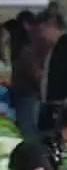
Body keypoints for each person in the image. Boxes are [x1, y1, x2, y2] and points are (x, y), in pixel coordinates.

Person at [38, 7, 67, 129]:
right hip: (54, 101)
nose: (43, 35)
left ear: (52, 27)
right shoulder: (57, 46)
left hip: (60, 102)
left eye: (44, 30)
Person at [8, 9, 40, 137]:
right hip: (29, 93)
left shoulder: (16, 46)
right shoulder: (28, 49)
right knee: (29, 129)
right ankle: (33, 155)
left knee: (24, 127)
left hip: (19, 90)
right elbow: (35, 73)